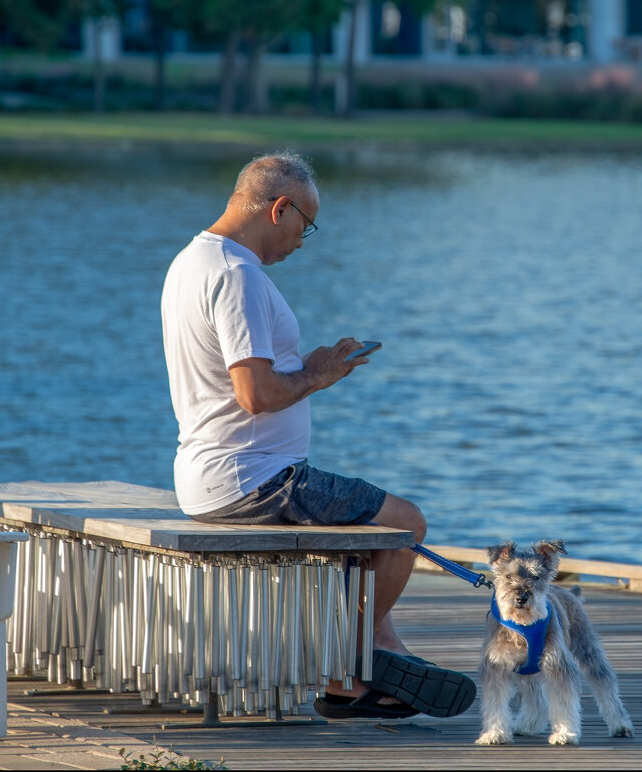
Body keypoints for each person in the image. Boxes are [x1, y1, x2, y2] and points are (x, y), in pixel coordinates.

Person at [160, 151, 474, 720]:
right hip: (254, 477)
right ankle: (347, 669)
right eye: (307, 224)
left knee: (361, 540)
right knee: (404, 525)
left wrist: (310, 363)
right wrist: (321, 376)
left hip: (213, 471)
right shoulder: (239, 276)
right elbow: (254, 395)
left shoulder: (193, 259)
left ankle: (377, 662)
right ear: (280, 209)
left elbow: (240, 375)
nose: (305, 240)